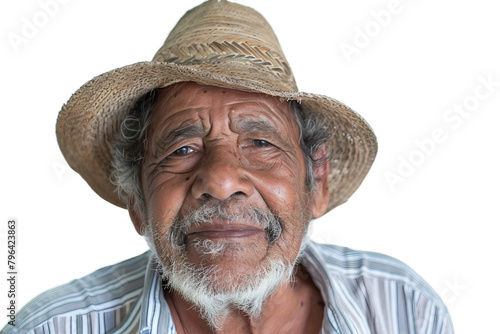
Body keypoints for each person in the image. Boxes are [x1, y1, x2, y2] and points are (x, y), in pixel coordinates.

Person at [3, 0, 453, 333]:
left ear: (315, 181)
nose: (220, 181)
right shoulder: (52, 327)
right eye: (182, 149)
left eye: (260, 143)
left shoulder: (405, 309)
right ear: (137, 200)